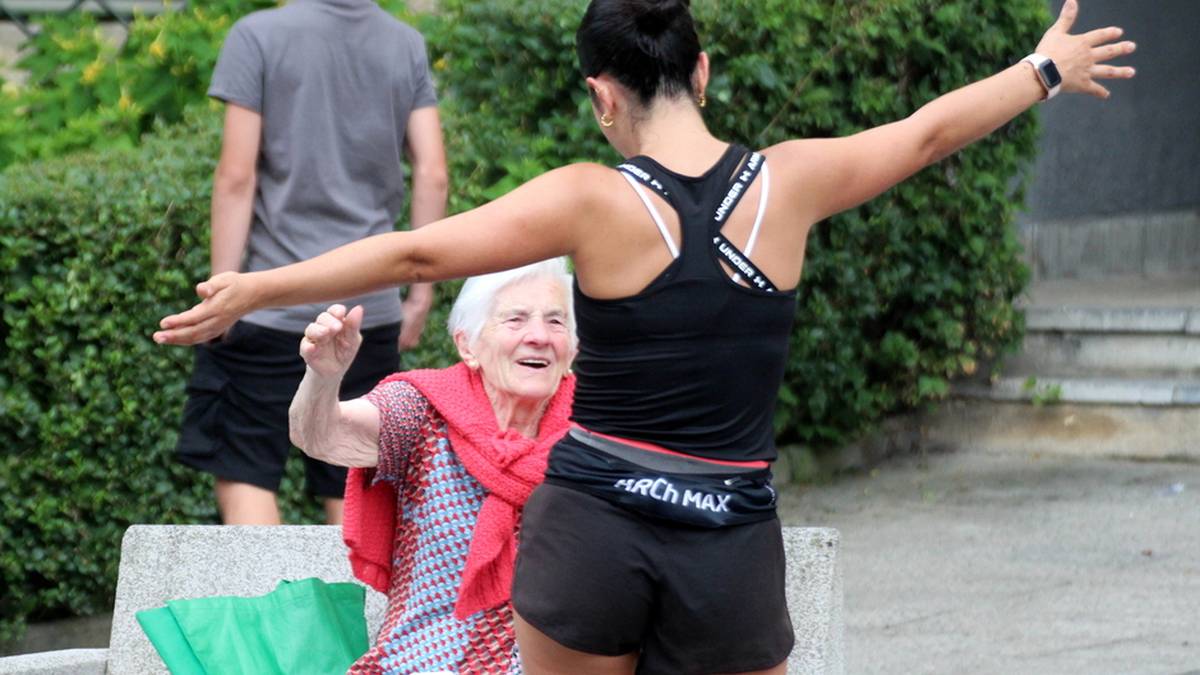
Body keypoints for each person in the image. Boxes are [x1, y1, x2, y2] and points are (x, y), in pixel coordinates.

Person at [156, 0, 1135, 671]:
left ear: (602, 95)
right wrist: (1043, 68)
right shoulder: (786, 184)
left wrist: (255, 286)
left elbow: (417, 255)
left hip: (592, 534)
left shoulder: (592, 199)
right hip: (728, 539)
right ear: (701, 70)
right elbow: (925, 132)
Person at [173, 0, 449, 525]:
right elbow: (433, 172)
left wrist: (220, 297)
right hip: (367, 311)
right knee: (352, 481)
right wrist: (420, 293)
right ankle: (355, 611)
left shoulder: (256, 36)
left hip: (269, 306)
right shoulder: (404, 43)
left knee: (246, 475)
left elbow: (236, 176)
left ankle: (273, 611)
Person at [288, 259, 576, 673]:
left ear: (574, 349)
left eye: (556, 322)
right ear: (467, 345)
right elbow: (323, 437)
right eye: (515, 320)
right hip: (420, 663)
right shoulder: (425, 407)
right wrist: (323, 378)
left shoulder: (598, 432)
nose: (538, 337)